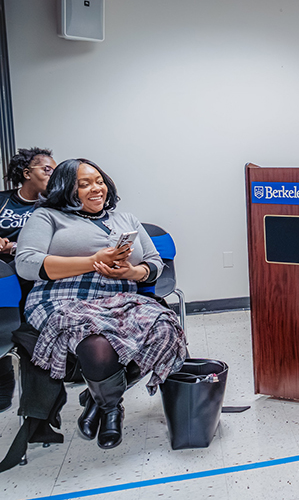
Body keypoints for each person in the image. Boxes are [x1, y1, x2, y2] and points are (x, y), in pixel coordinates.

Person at [14, 159, 187, 450]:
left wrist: (132, 272)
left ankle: (97, 400)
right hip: (64, 297)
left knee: (164, 329)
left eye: (99, 181)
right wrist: (94, 262)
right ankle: (111, 410)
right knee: (97, 342)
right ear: (66, 188)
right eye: (84, 184)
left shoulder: (126, 219)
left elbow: (155, 263)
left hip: (120, 297)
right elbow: (26, 263)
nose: (96, 188)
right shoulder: (47, 217)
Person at [0, 147, 56, 413]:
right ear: (26, 173)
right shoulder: (2, 200)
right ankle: (3, 374)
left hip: (31, 275)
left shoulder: (55, 206)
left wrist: (16, 248)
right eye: (47, 169)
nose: (53, 175)